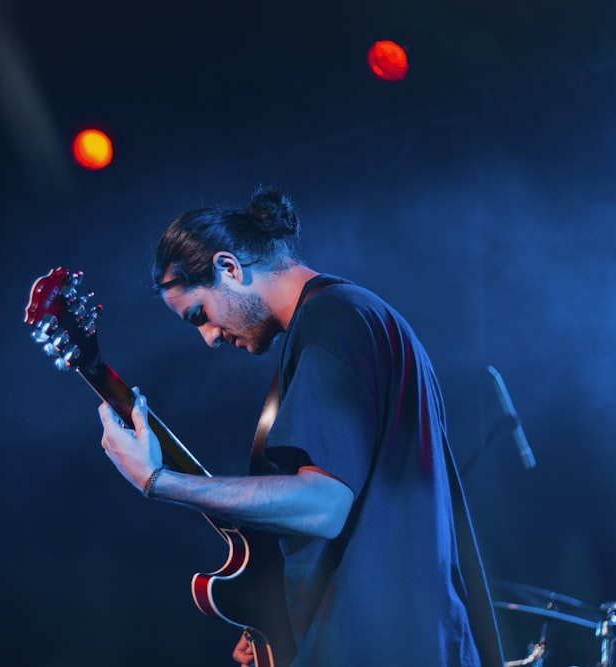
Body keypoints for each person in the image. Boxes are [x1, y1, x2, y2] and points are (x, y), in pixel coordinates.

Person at [97, 186, 504, 667]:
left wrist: (160, 482)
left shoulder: (332, 324)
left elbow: (324, 506)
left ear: (229, 268)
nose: (208, 338)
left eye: (199, 315)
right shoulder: (357, 317)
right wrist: (278, 622)